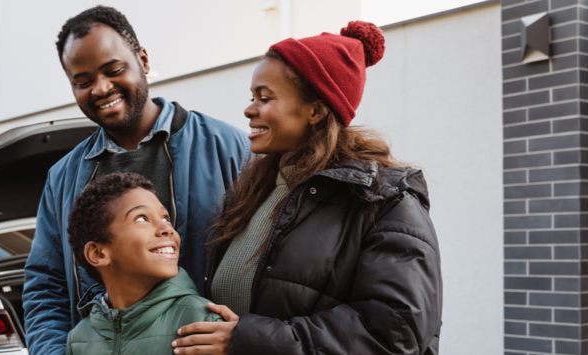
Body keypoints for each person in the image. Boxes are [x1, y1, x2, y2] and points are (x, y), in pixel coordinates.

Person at [172, 21, 444, 355]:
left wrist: (248, 341)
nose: (249, 109)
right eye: (251, 97)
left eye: (264, 97)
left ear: (315, 111)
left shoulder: (384, 202)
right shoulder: (252, 193)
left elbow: (396, 332)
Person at [22, 6, 250, 355]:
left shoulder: (229, 147)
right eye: (82, 82)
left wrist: (246, 339)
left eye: (113, 70)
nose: (100, 89)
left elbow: (273, 264)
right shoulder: (63, 177)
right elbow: (46, 285)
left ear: (143, 60)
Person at [65, 173, 223, 355]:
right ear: (98, 253)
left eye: (165, 218)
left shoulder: (203, 322)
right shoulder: (78, 339)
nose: (167, 229)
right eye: (141, 218)